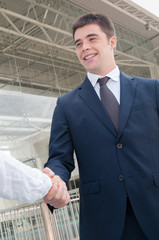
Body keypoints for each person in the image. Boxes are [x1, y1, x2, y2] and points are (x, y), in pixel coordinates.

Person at [43, 13, 159, 240]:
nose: (84, 47)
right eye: (78, 43)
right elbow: (60, 158)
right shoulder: (66, 105)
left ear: (112, 42)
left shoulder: (152, 90)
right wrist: (54, 177)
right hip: (103, 220)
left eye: (92, 39)